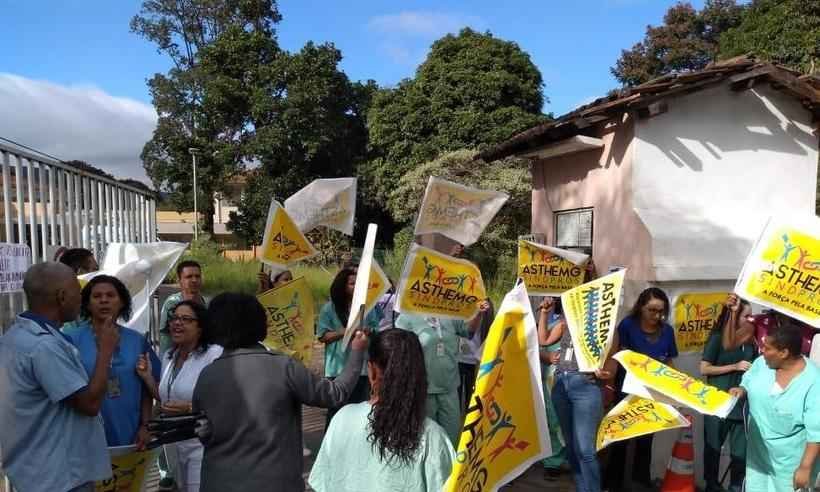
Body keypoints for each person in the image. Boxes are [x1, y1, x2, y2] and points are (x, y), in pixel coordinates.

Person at [192, 293, 369, 492]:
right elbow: (335, 394)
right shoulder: (284, 367)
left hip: (217, 482)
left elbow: (203, 431)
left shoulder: (206, 376)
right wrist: (357, 352)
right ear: (260, 323)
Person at [0, 263, 113, 492]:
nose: (81, 298)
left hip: (37, 471)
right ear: (62, 296)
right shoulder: (43, 346)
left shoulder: (17, 334)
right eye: (77, 292)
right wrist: (105, 351)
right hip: (59, 477)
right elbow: (89, 404)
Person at [309, 329, 455, 491]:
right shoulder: (432, 436)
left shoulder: (342, 418)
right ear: (420, 374)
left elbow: (321, 482)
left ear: (371, 371)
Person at [66, 275, 161, 448]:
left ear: (122, 302)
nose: (104, 300)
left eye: (111, 296)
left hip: (131, 435)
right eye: (97, 296)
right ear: (87, 304)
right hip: (84, 437)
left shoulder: (137, 340)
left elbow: (147, 389)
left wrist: (146, 425)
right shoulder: (71, 340)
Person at [138, 300, 222, 492]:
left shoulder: (213, 355)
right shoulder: (169, 355)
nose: (177, 322)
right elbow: (165, 399)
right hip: (174, 443)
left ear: (200, 327)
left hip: (202, 444)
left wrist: (192, 408)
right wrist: (147, 377)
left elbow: (229, 400)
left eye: (186, 319)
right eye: (174, 318)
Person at [729, 322, 820, 492]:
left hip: (790, 462)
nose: (762, 351)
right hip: (758, 456)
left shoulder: (814, 382)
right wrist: (740, 390)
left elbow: (817, 432)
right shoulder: (762, 363)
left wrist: (805, 467)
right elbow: (748, 381)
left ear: (784, 353)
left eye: (767, 348)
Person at [604, 286, 678, 491]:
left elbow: (669, 362)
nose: (657, 315)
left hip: (653, 394)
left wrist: (678, 386)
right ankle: (613, 483)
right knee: (621, 439)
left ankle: (641, 482)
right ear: (641, 307)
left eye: (661, 311)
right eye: (652, 310)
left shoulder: (667, 331)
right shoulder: (627, 325)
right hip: (626, 392)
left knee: (646, 440)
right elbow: (617, 356)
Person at [538, 296, 613, 492]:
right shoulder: (566, 322)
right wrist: (545, 313)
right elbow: (543, 339)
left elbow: (612, 367)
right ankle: (582, 488)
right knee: (571, 446)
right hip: (561, 385)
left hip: (587, 387)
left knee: (586, 449)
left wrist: (604, 373)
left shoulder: (607, 328)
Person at [394, 299, 491, 446]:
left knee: (451, 439)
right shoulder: (408, 316)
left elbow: (468, 331)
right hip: (423, 390)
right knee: (426, 440)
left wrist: (478, 313)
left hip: (449, 388)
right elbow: (399, 347)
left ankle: (450, 468)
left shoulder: (448, 312)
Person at [700, 295, 755, 492]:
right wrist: (734, 366)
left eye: (751, 317)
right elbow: (704, 369)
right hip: (718, 403)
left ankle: (736, 486)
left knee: (740, 453)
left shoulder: (751, 342)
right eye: (746, 316)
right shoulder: (717, 337)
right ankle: (712, 485)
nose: (751, 320)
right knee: (713, 450)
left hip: (741, 406)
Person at [317, 267, 380, 426]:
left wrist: (369, 331)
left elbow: (377, 329)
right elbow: (323, 336)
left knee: (360, 412)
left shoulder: (368, 307)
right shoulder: (329, 309)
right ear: (342, 286)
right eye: (352, 283)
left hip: (363, 369)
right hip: (338, 370)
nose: (356, 286)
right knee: (336, 412)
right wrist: (347, 331)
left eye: (358, 283)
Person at [721, 294, 816, 356]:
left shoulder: (811, 326)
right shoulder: (759, 322)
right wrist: (733, 313)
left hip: (801, 382)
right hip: (768, 382)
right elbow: (729, 345)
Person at [536, 297, 567, 481]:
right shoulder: (561, 323)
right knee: (554, 419)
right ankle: (553, 462)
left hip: (573, 376)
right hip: (554, 377)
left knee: (564, 419)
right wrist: (547, 356)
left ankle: (561, 460)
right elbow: (539, 342)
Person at [159, 261, 207, 357]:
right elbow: (165, 338)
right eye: (189, 277)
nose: (194, 280)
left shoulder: (206, 303)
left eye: (197, 276)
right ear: (179, 281)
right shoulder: (172, 304)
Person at [456, 299, 494, 411]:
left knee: (471, 397)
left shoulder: (485, 312)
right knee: (458, 398)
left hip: (475, 363)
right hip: (460, 360)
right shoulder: (465, 307)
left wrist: (478, 312)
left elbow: (471, 332)